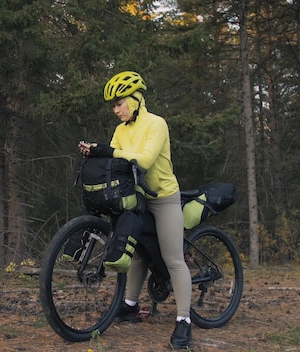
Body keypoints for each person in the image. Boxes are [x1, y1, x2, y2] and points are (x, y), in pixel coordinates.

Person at [78, 71, 192, 349]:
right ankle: (129, 304)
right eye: (114, 105)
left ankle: (184, 322)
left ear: (136, 99)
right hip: (137, 197)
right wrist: (97, 154)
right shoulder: (121, 130)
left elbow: (144, 160)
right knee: (138, 252)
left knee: (173, 258)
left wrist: (106, 151)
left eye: (120, 103)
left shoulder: (157, 124)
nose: (116, 110)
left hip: (163, 197)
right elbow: (116, 164)